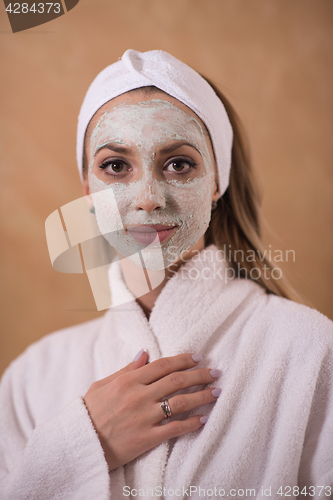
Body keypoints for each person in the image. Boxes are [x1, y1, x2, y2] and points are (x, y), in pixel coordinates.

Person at [0, 49, 332, 500]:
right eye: (116, 166)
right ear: (87, 190)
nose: (148, 198)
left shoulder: (311, 353)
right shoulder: (32, 377)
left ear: (217, 181)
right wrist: (83, 443)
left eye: (178, 164)